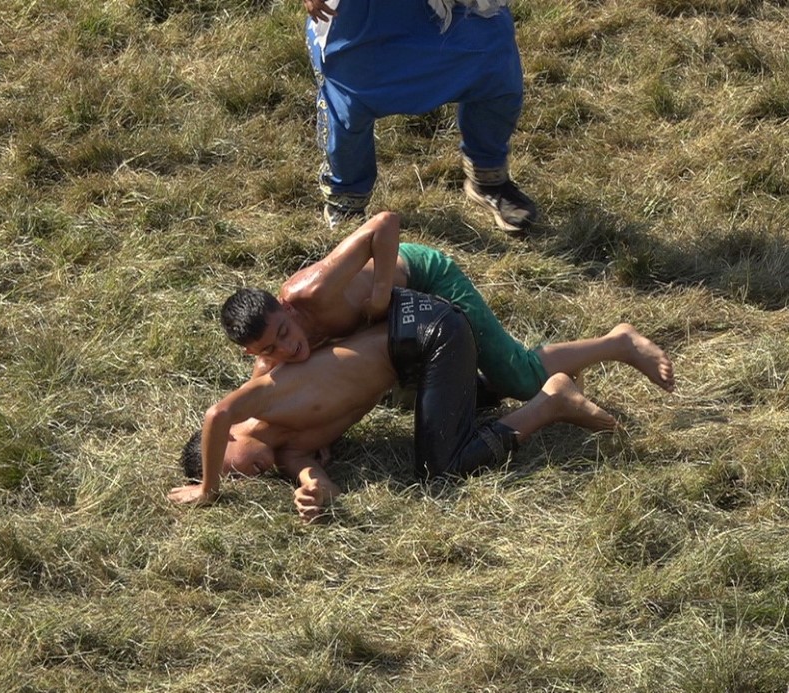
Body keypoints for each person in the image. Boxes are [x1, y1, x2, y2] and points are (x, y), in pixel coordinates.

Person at [170, 288, 649, 522]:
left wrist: (208, 490)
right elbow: (319, 482)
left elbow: (215, 414)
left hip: (426, 331)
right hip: (414, 365)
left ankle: (551, 404)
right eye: (236, 481)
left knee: (438, 465)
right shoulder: (294, 452)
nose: (248, 477)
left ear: (228, 441)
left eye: (231, 468)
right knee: (495, 384)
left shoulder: (266, 393)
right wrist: (316, 497)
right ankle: (612, 343)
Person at [221, 211, 676, 401]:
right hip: (394, 312)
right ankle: (557, 365)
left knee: (516, 379)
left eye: (285, 332)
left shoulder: (312, 292)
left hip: (423, 276)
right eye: (271, 349)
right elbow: (255, 398)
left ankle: (620, 342)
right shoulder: (270, 354)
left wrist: (380, 295)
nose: (288, 348)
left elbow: (384, 223)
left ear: (284, 307)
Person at [303, 0, 537, 231]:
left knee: (493, 55)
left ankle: (488, 177)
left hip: (439, 7)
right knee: (349, 100)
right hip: (361, 18)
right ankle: (346, 200)